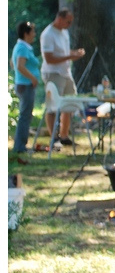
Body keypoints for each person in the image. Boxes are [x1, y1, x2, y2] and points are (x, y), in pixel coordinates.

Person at [40, 8, 86, 147]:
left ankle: (64, 135)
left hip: (66, 73)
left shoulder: (64, 32)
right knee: (52, 106)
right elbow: (49, 58)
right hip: (53, 73)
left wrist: (74, 53)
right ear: (59, 19)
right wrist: (70, 56)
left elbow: (63, 52)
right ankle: (54, 137)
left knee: (70, 103)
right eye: (68, 21)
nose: (70, 24)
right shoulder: (48, 34)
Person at [10, 21, 41, 163]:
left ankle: (21, 144)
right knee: (25, 116)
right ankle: (20, 146)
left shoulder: (22, 47)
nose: (34, 34)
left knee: (26, 115)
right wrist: (32, 78)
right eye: (32, 32)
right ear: (26, 33)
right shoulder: (22, 48)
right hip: (25, 85)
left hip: (23, 84)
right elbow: (19, 66)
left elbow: (12, 63)